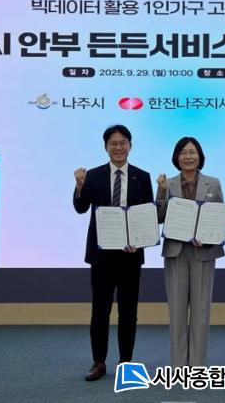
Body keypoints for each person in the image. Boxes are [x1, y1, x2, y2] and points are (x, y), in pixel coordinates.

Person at [73, 125, 153, 382]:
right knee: (100, 309)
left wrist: (139, 241)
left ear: (130, 145)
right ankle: (99, 362)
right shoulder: (93, 175)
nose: (118, 147)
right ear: (106, 147)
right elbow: (80, 207)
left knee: (128, 311)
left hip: (131, 255)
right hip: (101, 255)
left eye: (123, 143)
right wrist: (79, 186)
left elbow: (147, 216)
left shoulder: (142, 176)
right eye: (113, 143)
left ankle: (126, 362)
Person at [156, 137, 224, 368]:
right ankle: (178, 365)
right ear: (176, 157)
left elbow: (219, 218)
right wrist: (161, 192)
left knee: (201, 311)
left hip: (203, 253)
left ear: (200, 156)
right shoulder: (167, 183)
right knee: (176, 311)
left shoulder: (213, 183)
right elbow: (159, 217)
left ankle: (197, 365)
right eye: (183, 152)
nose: (188, 156)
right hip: (176, 252)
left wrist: (208, 236)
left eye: (192, 152)